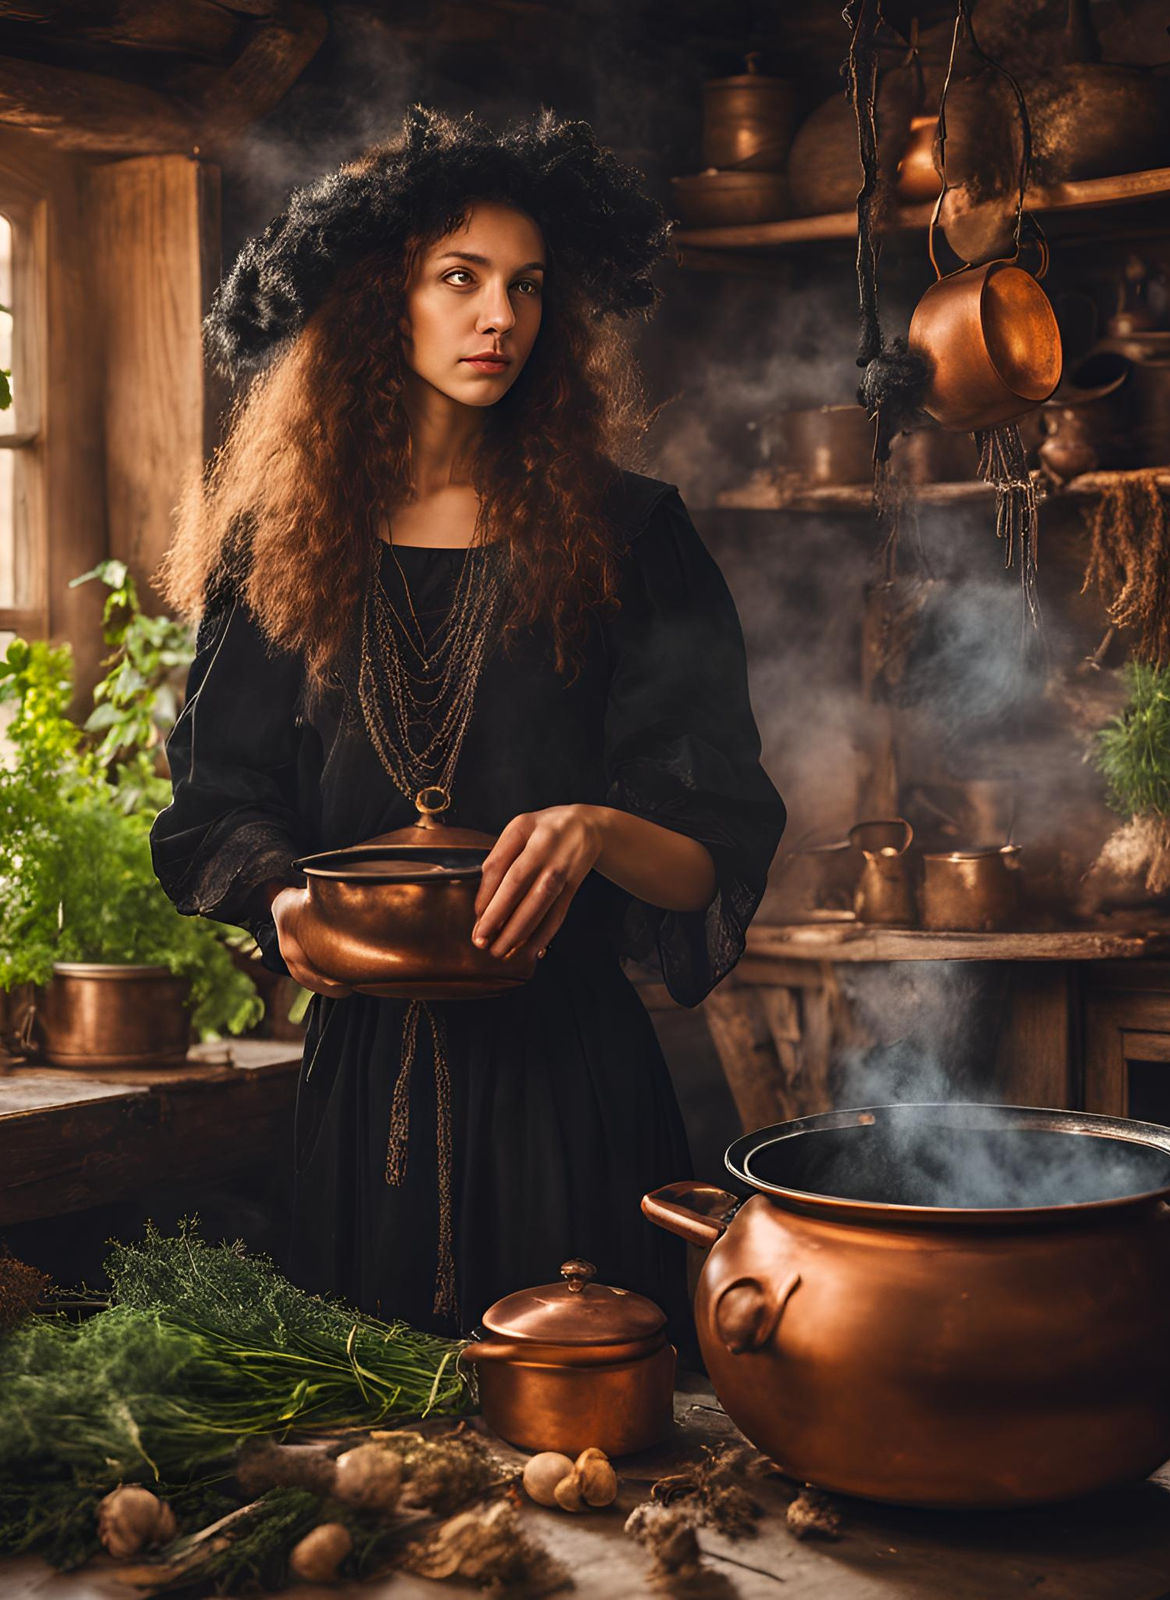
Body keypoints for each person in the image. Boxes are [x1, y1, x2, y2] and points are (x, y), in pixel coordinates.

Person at [150, 108, 785, 1340]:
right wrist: (287, 903)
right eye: (461, 278)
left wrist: (597, 828)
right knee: (384, 1466)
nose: (502, 315)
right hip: (360, 1098)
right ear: (380, 299)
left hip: (572, 1091)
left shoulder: (633, 538)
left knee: (593, 1457)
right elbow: (214, 810)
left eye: (528, 287)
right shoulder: (272, 551)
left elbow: (713, 839)